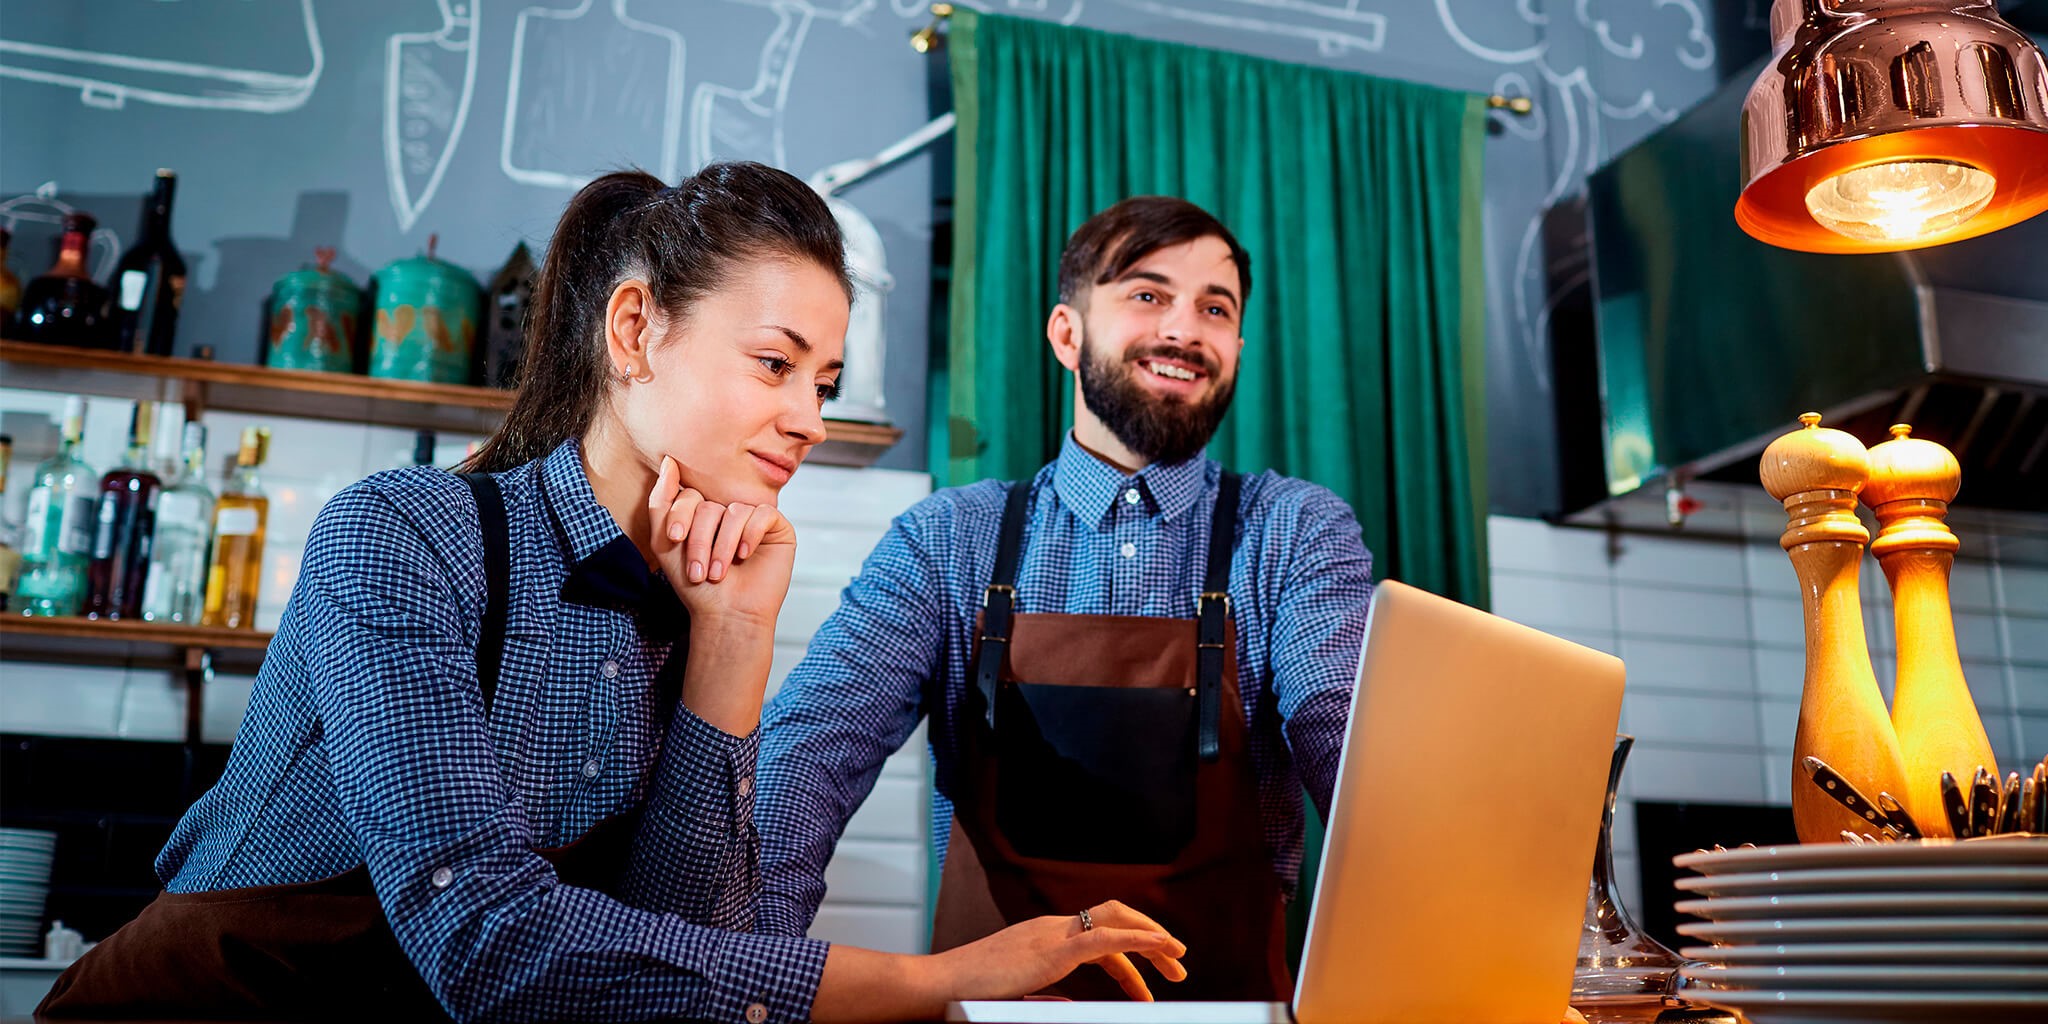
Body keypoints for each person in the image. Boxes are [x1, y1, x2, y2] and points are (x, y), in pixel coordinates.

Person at [38, 164, 1185, 1024]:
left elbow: (682, 957)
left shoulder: (696, 601)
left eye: (824, 384)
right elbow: (484, 938)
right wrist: (937, 981)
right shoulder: (400, 535)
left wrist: (733, 639)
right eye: (775, 364)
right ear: (634, 330)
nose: (808, 419)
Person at [755, 196, 1375, 1001]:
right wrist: (736, 977)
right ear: (1066, 333)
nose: (1185, 330)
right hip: (993, 1017)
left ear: (1238, 346)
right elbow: (803, 765)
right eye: (1147, 294)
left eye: (1214, 309)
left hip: (1233, 1014)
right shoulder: (944, 539)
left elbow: (1348, 737)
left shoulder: (1295, 532)